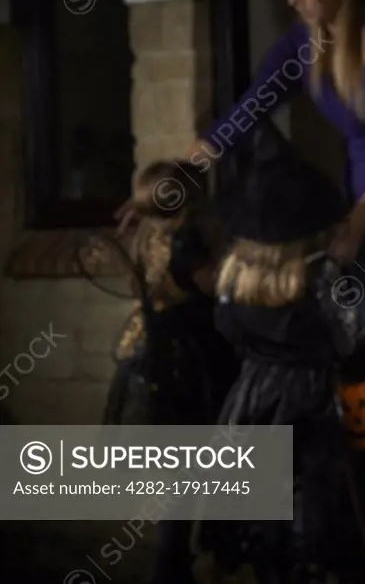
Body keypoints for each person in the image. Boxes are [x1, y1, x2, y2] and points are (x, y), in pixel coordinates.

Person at [113, 0, 365, 507]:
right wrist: (164, 188)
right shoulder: (304, 44)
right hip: (355, 201)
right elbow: (247, 112)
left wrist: (360, 218)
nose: (290, 0)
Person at [192, 122, 365, 584]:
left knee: (261, 524)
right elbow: (350, 347)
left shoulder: (233, 287)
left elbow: (230, 334)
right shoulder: (322, 286)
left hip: (252, 400)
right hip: (319, 405)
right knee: (317, 514)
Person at [100, 159, 238, 584]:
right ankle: (201, 559)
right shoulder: (186, 244)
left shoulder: (147, 238)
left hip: (158, 363)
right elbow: (216, 288)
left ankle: (177, 563)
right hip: (194, 366)